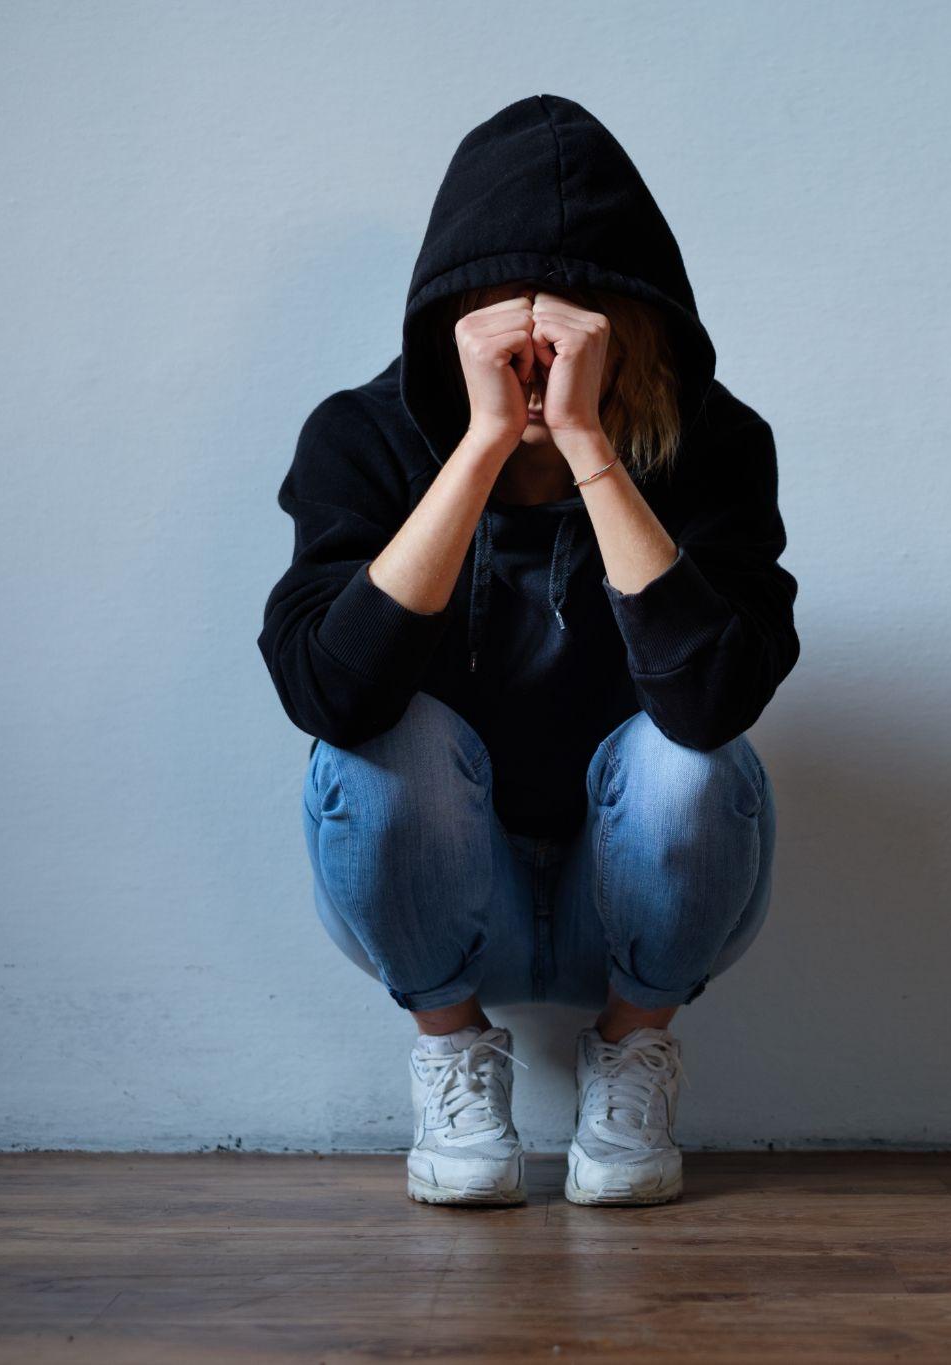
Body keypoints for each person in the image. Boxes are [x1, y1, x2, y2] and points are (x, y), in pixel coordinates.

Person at [256, 94, 801, 1207]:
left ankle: (631, 1057)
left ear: (636, 324)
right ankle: (452, 1055)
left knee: (690, 759)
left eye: (581, 322)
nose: (542, 347)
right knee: (376, 739)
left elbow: (712, 702)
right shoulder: (359, 438)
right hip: (454, 899)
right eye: (504, 319)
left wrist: (592, 447)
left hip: (633, 898)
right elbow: (327, 692)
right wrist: (480, 443)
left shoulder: (717, 446)